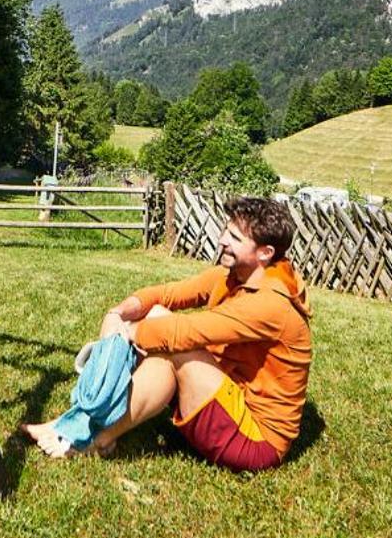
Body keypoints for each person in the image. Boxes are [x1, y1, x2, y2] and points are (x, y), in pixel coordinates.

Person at [23, 196, 311, 471]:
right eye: (226, 230)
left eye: (235, 238)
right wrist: (119, 312)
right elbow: (169, 294)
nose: (223, 240)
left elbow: (188, 332)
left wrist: (124, 334)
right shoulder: (236, 277)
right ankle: (79, 430)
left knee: (175, 343)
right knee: (162, 326)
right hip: (228, 402)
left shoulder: (271, 304)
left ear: (265, 253)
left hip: (255, 442)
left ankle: (91, 436)